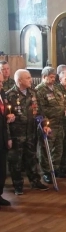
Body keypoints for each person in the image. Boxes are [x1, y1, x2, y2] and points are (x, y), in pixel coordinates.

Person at [36, 67, 66, 183]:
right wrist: (45, 123)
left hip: (60, 124)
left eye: (54, 77)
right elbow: (40, 110)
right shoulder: (39, 91)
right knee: (46, 150)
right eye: (50, 77)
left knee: (58, 149)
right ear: (44, 77)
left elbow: (63, 101)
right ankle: (46, 172)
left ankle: (55, 169)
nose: (52, 79)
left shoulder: (56, 88)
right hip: (49, 125)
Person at [0, 72, 12, 204]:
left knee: (2, 169)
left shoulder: (2, 94)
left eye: (2, 82)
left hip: (2, 137)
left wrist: (8, 117)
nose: (1, 85)